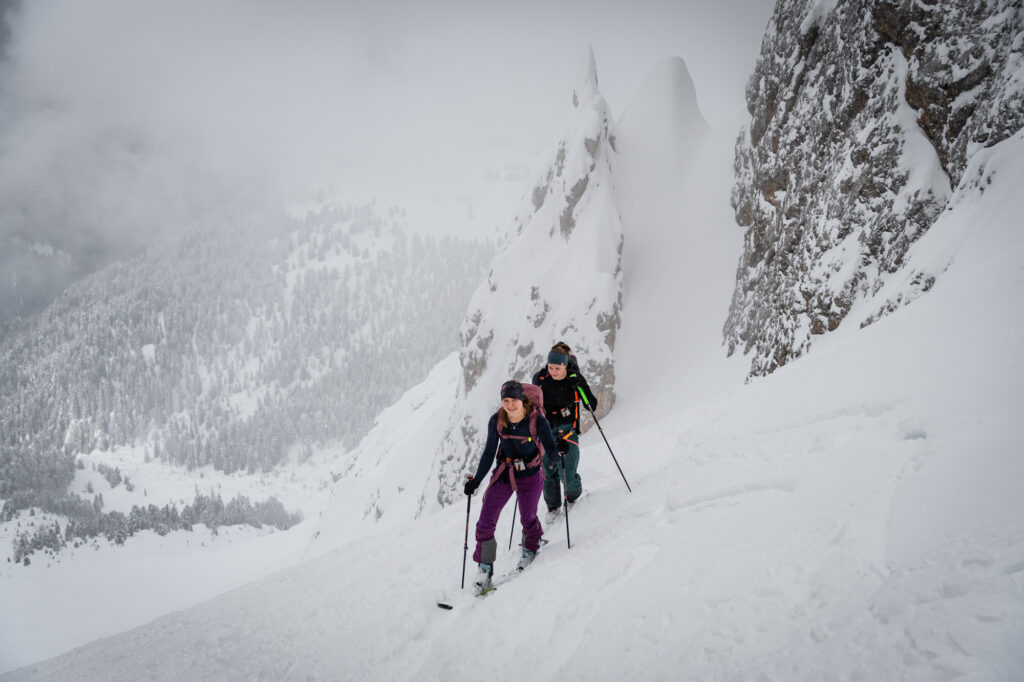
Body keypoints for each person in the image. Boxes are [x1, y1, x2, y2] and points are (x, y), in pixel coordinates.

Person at [464, 379, 557, 594]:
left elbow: (551, 448)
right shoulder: (496, 420)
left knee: (528, 518)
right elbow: (489, 453)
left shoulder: (537, 420)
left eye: (514, 400)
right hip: (504, 473)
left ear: (521, 399)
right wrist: (476, 481)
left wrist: (558, 453)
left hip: (531, 474)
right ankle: (485, 568)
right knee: (485, 522)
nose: (510, 404)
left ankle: (530, 548)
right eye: (506, 400)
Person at [532, 341, 598, 521]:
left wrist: (581, 385)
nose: (553, 371)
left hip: (568, 430)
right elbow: (533, 405)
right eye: (550, 367)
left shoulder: (573, 379)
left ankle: (573, 497)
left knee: (568, 472)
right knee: (548, 470)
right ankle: (553, 508)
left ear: (565, 365)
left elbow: (591, 404)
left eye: (557, 368)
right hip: (546, 430)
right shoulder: (540, 378)